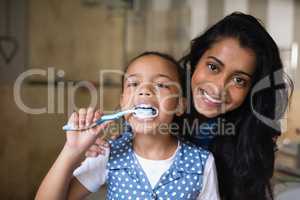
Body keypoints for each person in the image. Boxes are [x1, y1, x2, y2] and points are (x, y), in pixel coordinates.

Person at [35, 52, 220, 199]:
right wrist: (71, 150)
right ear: (123, 102)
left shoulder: (202, 163)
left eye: (162, 85)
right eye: (134, 83)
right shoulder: (108, 154)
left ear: (180, 105)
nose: (144, 90)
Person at [180, 12, 293, 200]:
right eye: (213, 67)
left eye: (239, 80)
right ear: (196, 60)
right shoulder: (155, 111)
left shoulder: (249, 144)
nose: (218, 89)